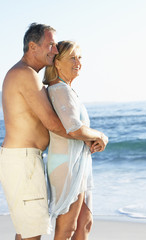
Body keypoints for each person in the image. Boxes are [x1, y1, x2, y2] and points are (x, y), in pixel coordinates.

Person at [0, 23, 107, 240]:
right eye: (51, 45)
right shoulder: (26, 74)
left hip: (26, 159)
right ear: (32, 46)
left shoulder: (29, 76)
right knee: (32, 232)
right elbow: (55, 124)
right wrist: (97, 136)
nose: (55, 50)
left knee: (29, 230)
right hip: (22, 160)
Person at [43, 40, 108, 240]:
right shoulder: (59, 89)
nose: (78, 62)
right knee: (67, 228)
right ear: (57, 63)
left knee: (84, 222)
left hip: (78, 162)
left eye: (79, 57)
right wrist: (100, 136)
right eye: (72, 57)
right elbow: (74, 128)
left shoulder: (66, 90)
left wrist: (89, 140)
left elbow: (73, 129)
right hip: (67, 165)